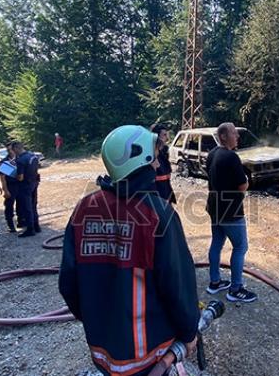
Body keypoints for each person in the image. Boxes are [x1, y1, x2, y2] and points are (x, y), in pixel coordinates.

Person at [59, 125, 199, 376]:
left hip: (102, 350)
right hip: (149, 355)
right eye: (153, 158)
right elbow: (178, 286)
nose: (157, 165)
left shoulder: (83, 209)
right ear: (139, 160)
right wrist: (189, 333)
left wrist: (95, 318)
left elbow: (67, 283)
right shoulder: (158, 214)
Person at [205, 122, 257, 303]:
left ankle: (215, 282)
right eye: (234, 133)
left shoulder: (212, 154)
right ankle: (235, 289)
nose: (238, 136)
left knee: (217, 243)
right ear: (224, 136)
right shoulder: (232, 157)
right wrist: (245, 186)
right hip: (231, 211)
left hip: (214, 208)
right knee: (240, 247)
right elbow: (242, 185)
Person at [11, 141, 41, 237]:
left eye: (13, 150)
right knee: (33, 205)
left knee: (27, 208)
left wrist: (13, 175)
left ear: (16, 149)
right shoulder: (33, 156)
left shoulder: (21, 160)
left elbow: (20, 177)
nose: (13, 152)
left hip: (25, 186)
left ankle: (30, 229)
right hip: (34, 182)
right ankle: (37, 226)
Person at [0, 143, 22, 233]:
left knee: (21, 204)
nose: (10, 151)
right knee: (9, 206)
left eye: (11, 149)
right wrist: (5, 190)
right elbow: (2, 177)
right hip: (10, 185)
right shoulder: (4, 162)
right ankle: (10, 224)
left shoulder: (20, 159)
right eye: (8, 150)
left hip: (20, 185)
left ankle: (21, 221)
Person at [150, 123, 176, 204]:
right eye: (164, 135)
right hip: (157, 193)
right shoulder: (151, 154)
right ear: (156, 137)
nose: (167, 138)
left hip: (166, 191)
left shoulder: (164, 151)